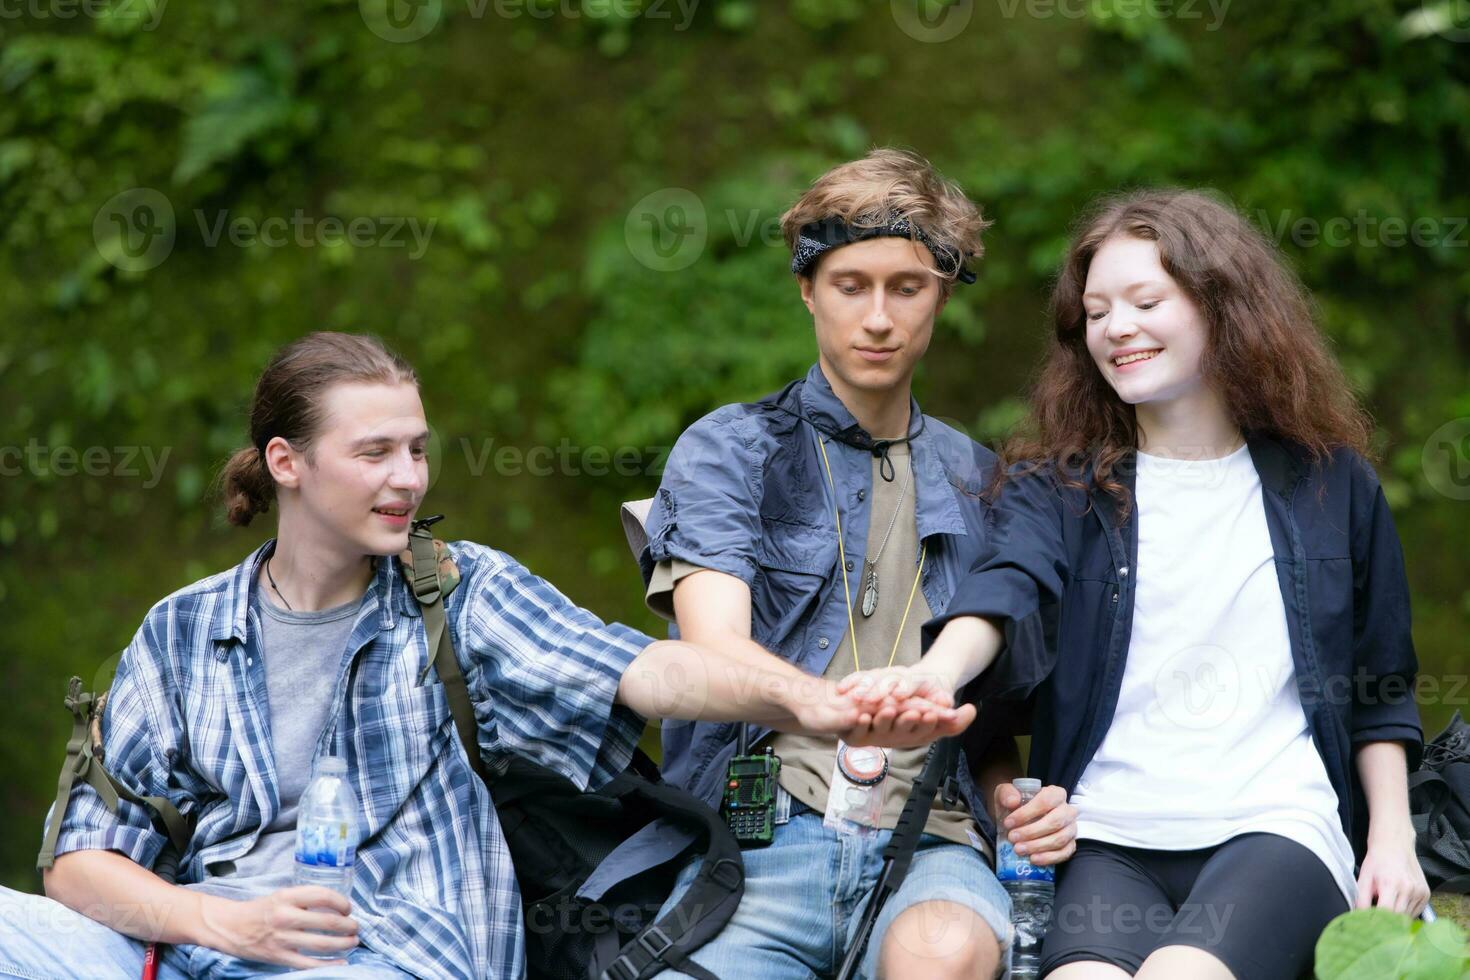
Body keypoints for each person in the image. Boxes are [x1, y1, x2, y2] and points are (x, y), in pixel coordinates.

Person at [7, 331, 962, 980]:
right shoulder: (181, 630)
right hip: (194, 949)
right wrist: (209, 921)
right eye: (375, 452)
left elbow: (650, 672)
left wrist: (813, 704)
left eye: (417, 450)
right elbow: (81, 861)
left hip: (383, 957)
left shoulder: (463, 595)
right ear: (286, 463)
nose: (408, 479)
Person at [868, 189, 1429, 979]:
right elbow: (1004, 586)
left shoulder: (1331, 486)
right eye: (1096, 311)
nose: (1116, 328)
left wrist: (1393, 842)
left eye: (1145, 300)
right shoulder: (1059, 487)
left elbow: (1382, 691)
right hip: (1104, 836)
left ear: (1222, 305)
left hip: (1276, 827)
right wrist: (932, 675)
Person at [617, 149, 1079, 980]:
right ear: (807, 290)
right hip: (758, 840)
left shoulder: (983, 481)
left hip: (930, 839)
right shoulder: (730, 448)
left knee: (941, 953)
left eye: (906, 287)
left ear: (940, 295)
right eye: (849, 284)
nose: (877, 317)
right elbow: (709, 645)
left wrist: (1014, 805)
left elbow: (989, 726)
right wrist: (832, 709)